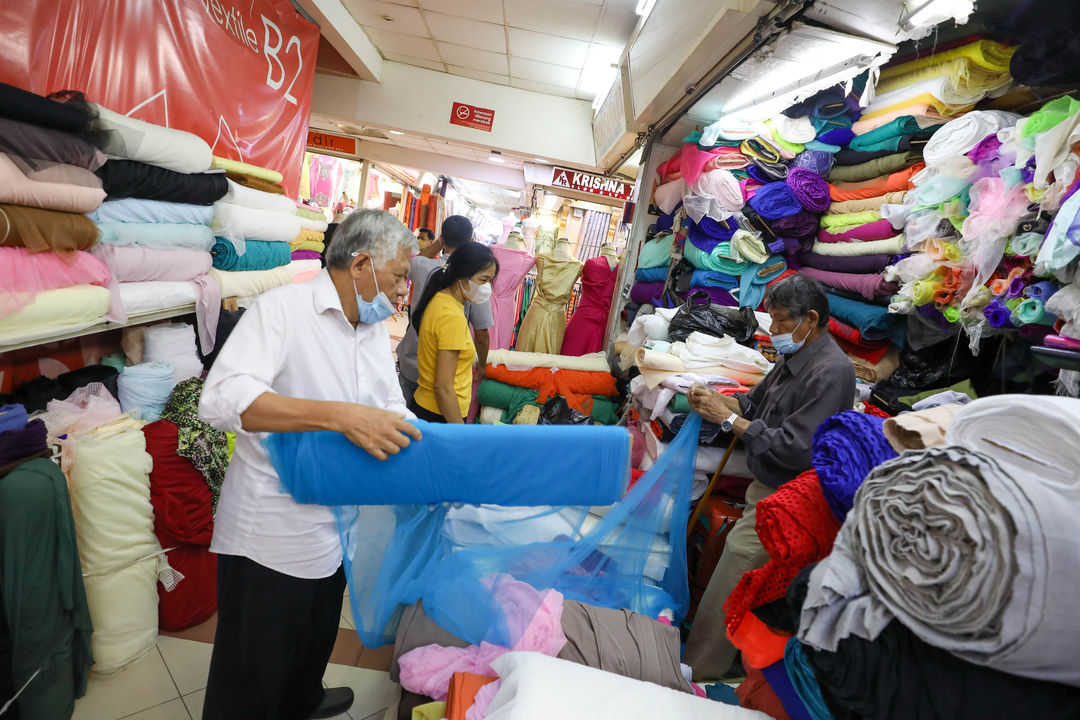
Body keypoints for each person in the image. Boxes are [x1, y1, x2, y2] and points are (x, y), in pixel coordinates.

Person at [198, 209, 423, 720]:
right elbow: (221, 399)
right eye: (399, 277)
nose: (403, 291)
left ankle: (302, 698)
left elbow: (391, 410)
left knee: (310, 643)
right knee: (252, 675)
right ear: (362, 263)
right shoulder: (283, 310)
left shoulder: (368, 330)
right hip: (270, 534)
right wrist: (339, 418)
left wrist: (441, 458)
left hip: (335, 527)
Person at [681, 274, 855, 681]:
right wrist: (720, 401)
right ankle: (724, 662)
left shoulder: (831, 371)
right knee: (748, 579)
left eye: (778, 321)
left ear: (809, 319)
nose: (772, 330)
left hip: (790, 495)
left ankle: (698, 673)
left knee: (734, 572)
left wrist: (729, 419)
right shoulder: (794, 360)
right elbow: (753, 404)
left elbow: (795, 447)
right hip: (770, 486)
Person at [396, 216, 493, 403]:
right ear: (471, 241)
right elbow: (482, 334)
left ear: (442, 239)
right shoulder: (474, 280)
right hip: (445, 370)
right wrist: (482, 364)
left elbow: (418, 259)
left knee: (403, 422)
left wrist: (439, 243)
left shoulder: (421, 266)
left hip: (411, 360)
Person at [409, 242, 499, 423]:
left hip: (428, 406)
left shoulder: (440, 299)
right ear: (461, 277)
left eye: (490, 281)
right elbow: (443, 387)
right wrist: (460, 433)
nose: (487, 287)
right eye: (483, 280)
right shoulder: (452, 317)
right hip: (442, 413)